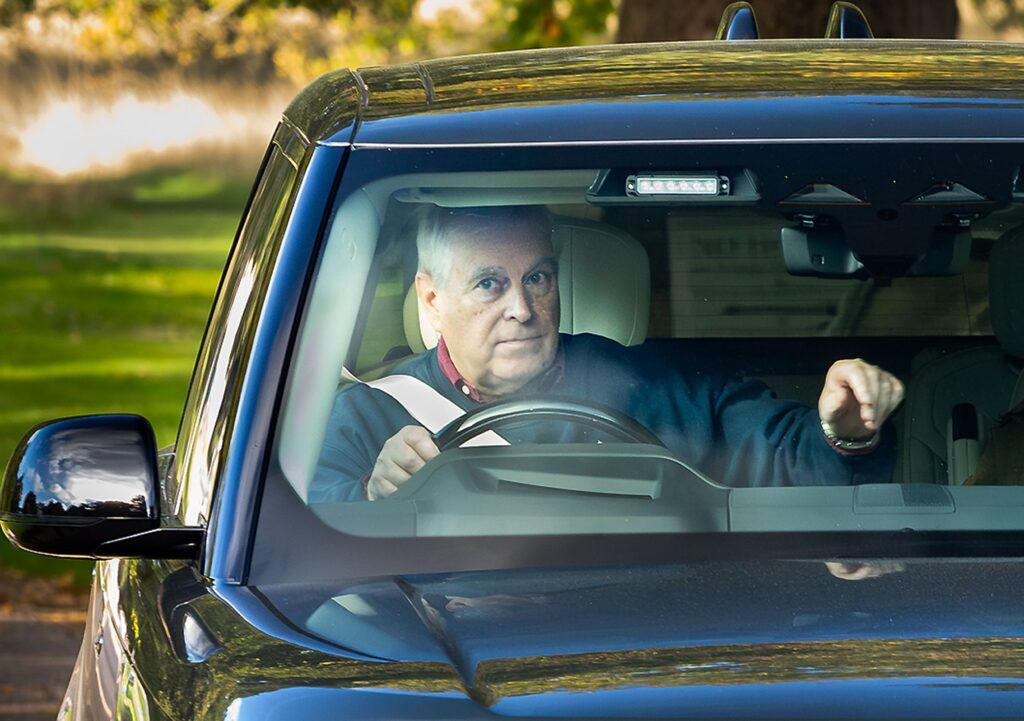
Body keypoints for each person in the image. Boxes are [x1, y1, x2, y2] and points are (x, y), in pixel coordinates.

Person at [312, 206, 904, 502]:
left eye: (538, 278)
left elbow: (791, 458)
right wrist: (371, 494)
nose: (522, 307)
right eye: (489, 283)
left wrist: (844, 431)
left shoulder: (656, 388)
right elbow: (295, 541)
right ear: (432, 300)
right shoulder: (371, 417)